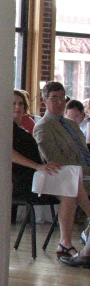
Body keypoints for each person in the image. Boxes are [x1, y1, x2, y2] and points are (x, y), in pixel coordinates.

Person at [12, 89, 90, 258]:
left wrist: (42, 166)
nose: (17, 107)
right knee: (71, 178)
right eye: (13, 103)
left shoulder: (23, 127)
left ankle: (64, 242)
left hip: (38, 173)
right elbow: (9, 153)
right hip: (25, 180)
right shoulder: (7, 128)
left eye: (20, 103)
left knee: (70, 189)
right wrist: (38, 166)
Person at [33, 82, 90, 193]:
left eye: (62, 97)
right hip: (71, 177)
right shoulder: (43, 127)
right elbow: (57, 162)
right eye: (54, 98)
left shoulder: (72, 124)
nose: (60, 102)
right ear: (45, 101)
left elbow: (83, 150)